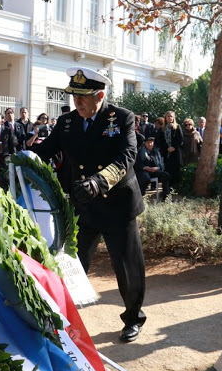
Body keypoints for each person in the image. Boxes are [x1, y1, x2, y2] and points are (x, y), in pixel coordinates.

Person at [33, 66, 146, 343]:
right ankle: (61, 320)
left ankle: (133, 318)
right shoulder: (68, 122)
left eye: (83, 97)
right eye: (73, 96)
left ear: (100, 95)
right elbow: (45, 150)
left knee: (126, 266)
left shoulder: (121, 118)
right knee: (72, 266)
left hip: (116, 204)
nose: (77, 102)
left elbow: (127, 156)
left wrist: (99, 181)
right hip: (84, 207)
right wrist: (19, 160)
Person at [0, 114, 17, 182]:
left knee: (4, 181)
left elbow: (12, 145)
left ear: (1, 122)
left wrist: (13, 158)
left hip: (4, 160)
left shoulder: (7, 130)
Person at [163, 110, 183, 187]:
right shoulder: (163, 128)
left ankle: (176, 188)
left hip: (175, 151)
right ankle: (168, 189)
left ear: (173, 118)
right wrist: (167, 148)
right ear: (166, 118)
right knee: (168, 170)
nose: (170, 118)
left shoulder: (177, 127)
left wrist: (174, 147)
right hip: (167, 152)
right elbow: (161, 141)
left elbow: (180, 139)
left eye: (171, 116)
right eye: (168, 116)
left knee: (176, 170)